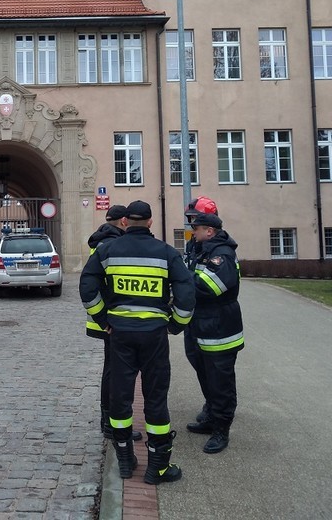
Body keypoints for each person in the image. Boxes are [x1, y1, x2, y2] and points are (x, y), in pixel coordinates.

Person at [80, 200, 194, 484]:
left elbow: (87, 286)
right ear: (151, 222)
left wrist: (102, 318)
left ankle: (126, 460)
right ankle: (158, 467)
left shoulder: (107, 250)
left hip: (120, 333)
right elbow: (187, 294)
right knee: (156, 397)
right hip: (154, 334)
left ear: (126, 222)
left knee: (121, 396)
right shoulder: (167, 253)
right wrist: (176, 325)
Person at [185, 212, 244, 454]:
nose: (193, 232)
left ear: (209, 231)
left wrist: (182, 279)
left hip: (219, 329)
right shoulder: (202, 250)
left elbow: (210, 287)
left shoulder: (223, 255)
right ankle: (210, 417)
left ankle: (221, 430)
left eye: (196, 229)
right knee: (206, 374)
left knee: (221, 381)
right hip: (202, 325)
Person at [86, 205, 142, 442]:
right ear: (122, 222)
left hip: (104, 318)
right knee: (114, 370)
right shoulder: (109, 245)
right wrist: (106, 318)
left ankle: (106, 419)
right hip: (112, 319)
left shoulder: (102, 241)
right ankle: (110, 422)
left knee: (111, 368)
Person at [182, 196, 219, 425]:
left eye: (196, 220)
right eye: (191, 220)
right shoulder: (193, 245)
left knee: (215, 368)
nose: (192, 226)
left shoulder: (218, 250)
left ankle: (217, 411)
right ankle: (211, 403)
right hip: (194, 316)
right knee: (196, 359)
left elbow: (213, 285)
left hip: (211, 318)